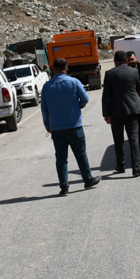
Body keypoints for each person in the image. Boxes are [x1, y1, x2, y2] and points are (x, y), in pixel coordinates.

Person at [41, 58, 100, 196]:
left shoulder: (47, 86)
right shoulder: (74, 82)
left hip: (56, 128)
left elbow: (44, 109)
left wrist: (47, 125)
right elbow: (85, 99)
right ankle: (88, 180)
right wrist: (78, 107)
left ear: (53, 69)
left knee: (61, 158)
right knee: (81, 154)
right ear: (67, 69)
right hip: (74, 126)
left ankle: (64, 187)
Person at [102, 50, 140, 176]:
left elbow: (106, 96)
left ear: (115, 61)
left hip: (116, 112)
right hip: (133, 110)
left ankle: (121, 166)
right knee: (134, 139)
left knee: (118, 140)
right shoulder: (133, 71)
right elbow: (138, 88)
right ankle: (136, 169)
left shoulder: (109, 73)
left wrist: (106, 113)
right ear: (126, 60)